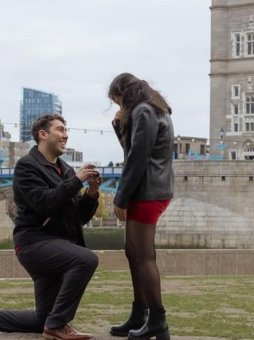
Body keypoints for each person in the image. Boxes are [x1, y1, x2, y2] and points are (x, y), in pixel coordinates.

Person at [0, 114, 103, 340]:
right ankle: (58, 326)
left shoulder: (66, 169)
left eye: (66, 130)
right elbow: (43, 203)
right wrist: (76, 181)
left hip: (58, 245)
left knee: (42, 320)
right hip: (34, 243)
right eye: (60, 130)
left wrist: (90, 193)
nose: (65, 135)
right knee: (86, 259)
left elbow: (76, 217)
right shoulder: (27, 167)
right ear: (43, 134)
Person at [108, 73, 174, 340]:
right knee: (134, 253)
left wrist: (120, 198)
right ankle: (140, 314)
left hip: (147, 191)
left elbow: (136, 157)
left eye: (118, 101)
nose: (118, 107)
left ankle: (157, 320)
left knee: (143, 255)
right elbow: (133, 148)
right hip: (151, 189)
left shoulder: (144, 111)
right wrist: (118, 127)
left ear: (126, 93)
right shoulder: (152, 109)